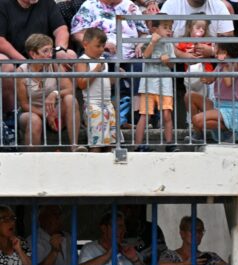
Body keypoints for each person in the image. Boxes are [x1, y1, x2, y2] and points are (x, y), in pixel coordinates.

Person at [71, 0, 149, 128]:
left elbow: (144, 32)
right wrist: (102, 45)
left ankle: (131, 117)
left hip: (130, 55)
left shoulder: (130, 6)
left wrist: (140, 44)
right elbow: (77, 33)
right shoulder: (90, 5)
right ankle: (109, 117)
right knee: (106, 68)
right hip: (101, 54)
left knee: (140, 66)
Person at [0, 0, 75, 112]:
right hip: (13, 56)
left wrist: (60, 49)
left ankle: (64, 105)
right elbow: (1, 40)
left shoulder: (47, 3)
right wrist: (24, 61)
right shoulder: (3, 4)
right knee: (6, 66)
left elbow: (61, 29)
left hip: (43, 53)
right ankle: (12, 113)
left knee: (70, 55)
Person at [16, 34, 83, 151]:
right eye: (45, 51)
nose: (50, 55)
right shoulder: (21, 71)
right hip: (32, 112)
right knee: (34, 120)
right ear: (33, 54)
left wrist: (54, 94)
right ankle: (33, 160)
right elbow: (24, 105)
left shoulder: (54, 65)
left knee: (70, 99)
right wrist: (46, 115)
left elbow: (70, 89)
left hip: (55, 111)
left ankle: (74, 146)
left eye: (50, 50)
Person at [188, 42, 238, 143]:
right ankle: (198, 135)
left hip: (231, 108)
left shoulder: (234, 64)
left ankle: (230, 129)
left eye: (217, 49)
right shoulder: (220, 65)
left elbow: (228, 82)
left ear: (224, 52)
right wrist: (203, 65)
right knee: (190, 96)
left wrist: (224, 66)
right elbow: (209, 80)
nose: (214, 52)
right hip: (218, 106)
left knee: (196, 120)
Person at [135, 17, 177, 151]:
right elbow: (145, 56)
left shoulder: (169, 44)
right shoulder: (149, 39)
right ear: (155, 29)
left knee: (167, 114)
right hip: (148, 84)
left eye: (170, 28)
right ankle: (137, 145)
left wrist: (167, 61)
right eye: (165, 27)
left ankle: (169, 143)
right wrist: (153, 42)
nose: (169, 30)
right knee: (145, 115)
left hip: (165, 84)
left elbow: (172, 64)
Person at [75, 27, 119, 151]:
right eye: (98, 46)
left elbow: (106, 83)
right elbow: (81, 84)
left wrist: (115, 76)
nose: (101, 50)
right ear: (85, 44)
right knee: (97, 144)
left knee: (110, 144)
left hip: (108, 105)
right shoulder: (82, 61)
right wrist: (96, 70)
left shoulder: (102, 60)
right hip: (93, 106)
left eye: (103, 46)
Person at [78, 211, 143, 265]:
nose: (123, 230)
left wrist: (135, 259)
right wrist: (108, 255)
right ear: (104, 228)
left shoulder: (128, 249)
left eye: (123, 227)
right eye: (118, 226)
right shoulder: (89, 249)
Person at [159, 216, 228, 265]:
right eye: (192, 230)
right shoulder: (170, 255)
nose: (197, 234)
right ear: (182, 234)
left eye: (200, 231)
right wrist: (185, 264)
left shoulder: (210, 256)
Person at [176, 16, 215, 98]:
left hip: (207, 74)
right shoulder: (184, 42)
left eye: (203, 28)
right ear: (190, 28)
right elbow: (175, 49)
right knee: (191, 97)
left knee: (207, 98)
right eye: (198, 28)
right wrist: (184, 54)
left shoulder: (206, 42)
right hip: (190, 76)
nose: (201, 30)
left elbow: (215, 48)